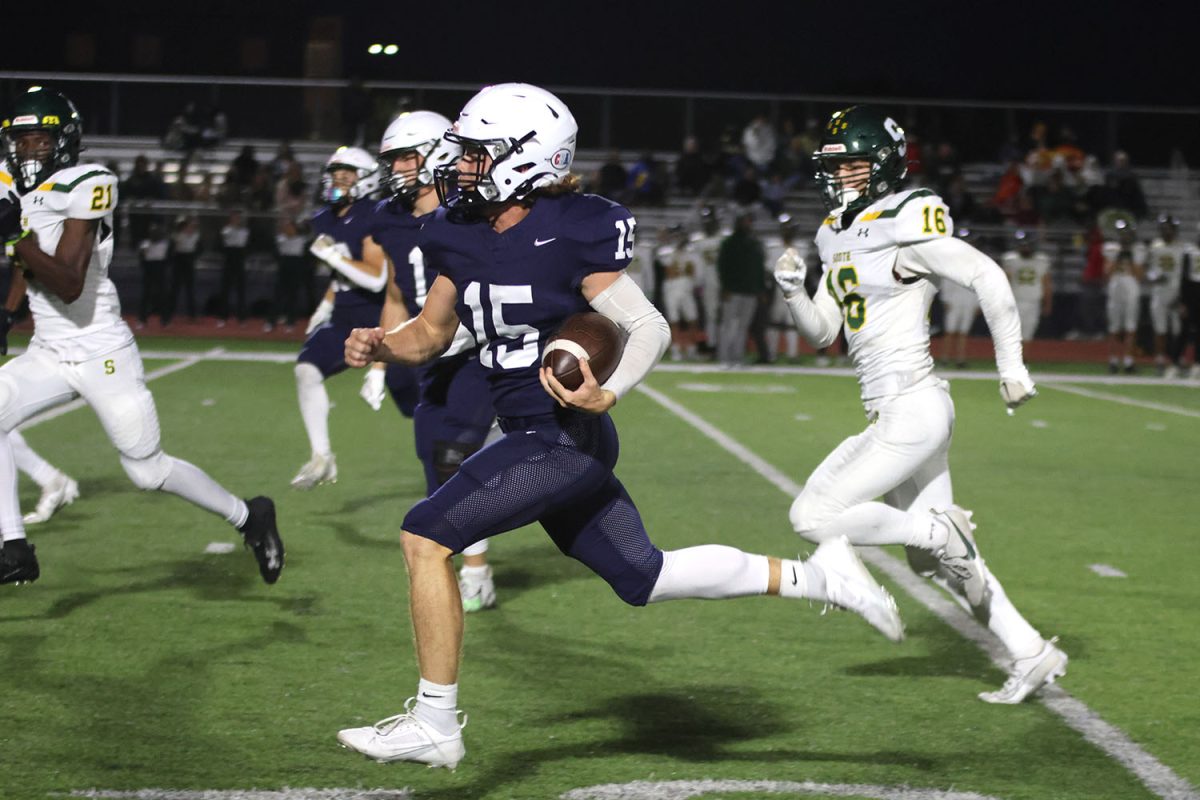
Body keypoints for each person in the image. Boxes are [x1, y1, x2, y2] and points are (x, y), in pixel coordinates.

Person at [336, 83, 903, 768]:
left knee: (424, 537)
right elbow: (430, 333)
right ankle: (824, 577)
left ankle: (435, 723)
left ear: (526, 158)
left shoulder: (573, 226)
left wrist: (609, 390)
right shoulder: (456, 231)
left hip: (563, 436)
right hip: (531, 434)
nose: (462, 166)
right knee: (645, 576)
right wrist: (381, 344)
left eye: (479, 153)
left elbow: (646, 325)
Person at [774, 105, 1065, 705]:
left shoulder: (904, 218)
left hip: (913, 404)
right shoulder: (835, 232)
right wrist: (793, 291)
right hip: (895, 409)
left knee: (814, 518)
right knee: (943, 566)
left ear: (881, 166)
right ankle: (1031, 650)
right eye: (833, 165)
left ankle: (937, 531)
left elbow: (987, 276)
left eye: (851, 165)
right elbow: (822, 332)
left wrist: (1010, 366)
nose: (840, 176)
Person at [0, 86, 282, 585]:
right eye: (20, 141)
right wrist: (6, 313)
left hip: (101, 350)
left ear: (63, 141)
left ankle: (249, 516)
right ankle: (14, 548)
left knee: (146, 471)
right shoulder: (10, 185)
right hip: (48, 350)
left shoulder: (86, 182)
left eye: (40, 141)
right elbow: (25, 259)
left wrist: (13, 235)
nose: (28, 152)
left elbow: (66, 280)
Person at [370, 110, 499, 612]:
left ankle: (475, 571)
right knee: (435, 462)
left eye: (407, 155)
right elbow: (397, 293)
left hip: (475, 348)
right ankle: (460, 556)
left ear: (437, 153)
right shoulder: (389, 217)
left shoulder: (474, 211)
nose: (399, 168)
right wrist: (382, 359)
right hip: (426, 349)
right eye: (394, 159)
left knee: (453, 454)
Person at [290, 146, 418, 488]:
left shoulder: (373, 215)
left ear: (366, 181)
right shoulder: (325, 218)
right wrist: (326, 305)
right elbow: (342, 276)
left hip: (383, 320)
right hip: (345, 317)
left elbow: (376, 277)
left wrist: (331, 255)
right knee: (306, 370)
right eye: (335, 176)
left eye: (346, 177)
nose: (337, 183)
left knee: (415, 406)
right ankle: (322, 457)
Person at [716, 209, 767, 367]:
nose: (747, 224)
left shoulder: (755, 244)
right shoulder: (728, 243)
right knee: (728, 324)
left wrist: (761, 289)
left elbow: (759, 269)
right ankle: (724, 357)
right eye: (744, 221)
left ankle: (737, 357)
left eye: (748, 221)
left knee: (743, 326)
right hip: (733, 290)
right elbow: (722, 267)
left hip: (750, 291)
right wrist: (725, 287)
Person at [1103, 219, 1144, 374]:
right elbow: (1107, 273)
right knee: (1114, 327)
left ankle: (1128, 361)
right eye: (1122, 234)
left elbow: (1139, 275)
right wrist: (1119, 256)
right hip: (1115, 288)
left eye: (1127, 233)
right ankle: (1113, 360)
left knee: (1131, 327)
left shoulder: (1138, 249)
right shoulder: (1111, 248)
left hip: (1131, 288)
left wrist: (1131, 257)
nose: (1125, 237)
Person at [1146, 215, 1185, 377]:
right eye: (1164, 228)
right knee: (1160, 329)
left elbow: (1185, 274)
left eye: (1169, 228)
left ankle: (1177, 359)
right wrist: (1154, 277)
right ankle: (1160, 359)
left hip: (1176, 292)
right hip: (1159, 293)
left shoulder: (1183, 249)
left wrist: (1183, 296)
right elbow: (1149, 270)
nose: (1166, 231)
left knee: (1178, 330)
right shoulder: (1155, 247)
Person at [1001, 230, 1053, 343]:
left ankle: (1023, 359)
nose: (1025, 248)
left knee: (1028, 333)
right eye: (1022, 245)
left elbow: (1046, 283)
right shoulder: (1011, 259)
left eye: (1027, 245)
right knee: (1012, 332)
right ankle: (1012, 359)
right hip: (1015, 301)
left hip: (1034, 301)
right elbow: (1005, 282)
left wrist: (1047, 303)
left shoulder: (1042, 260)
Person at [658, 225, 700, 360]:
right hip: (672, 288)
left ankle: (691, 348)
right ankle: (676, 349)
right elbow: (671, 270)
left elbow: (692, 271)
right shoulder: (666, 251)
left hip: (687, 288)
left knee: (692, 318)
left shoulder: (691, 251)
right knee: (674, 319)